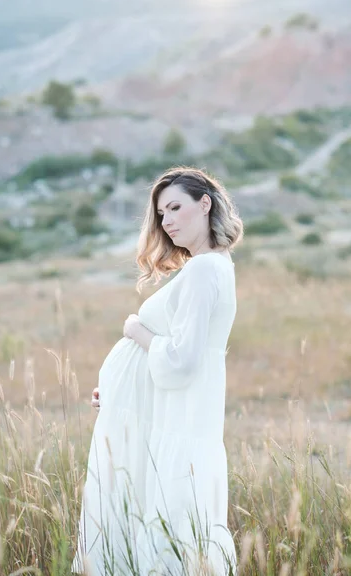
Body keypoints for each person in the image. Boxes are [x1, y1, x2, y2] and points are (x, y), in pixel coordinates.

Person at [71, 167, 243, 575]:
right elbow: (185, 364)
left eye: (175, 207)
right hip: (164, 418)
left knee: (168, 524)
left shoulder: (203, 270)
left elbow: (181, 363)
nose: (166, 221)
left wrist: (136, 330)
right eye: (161, 212)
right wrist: (123, 395)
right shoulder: (213, 267)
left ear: (205, 204)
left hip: (178, 427)